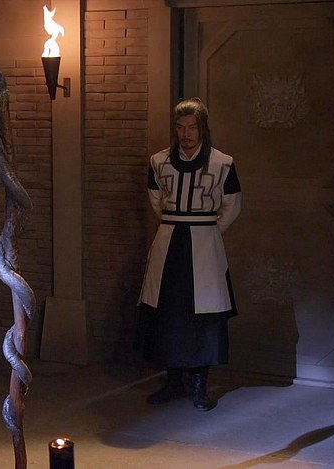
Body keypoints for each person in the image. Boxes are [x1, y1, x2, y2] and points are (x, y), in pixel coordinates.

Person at [135, 97, 242, 411]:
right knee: (169, 315)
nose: (186, 134)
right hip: (169, 244)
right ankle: (172, 382)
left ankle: (199, 386)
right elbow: (156, 200)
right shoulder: (159, 162)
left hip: (204, 245)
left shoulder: (222, 163)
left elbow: (232, 205)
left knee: (203, 318)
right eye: (180, 127)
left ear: (202, 129)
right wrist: (177, 223)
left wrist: (208, 230)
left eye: (192, 127)